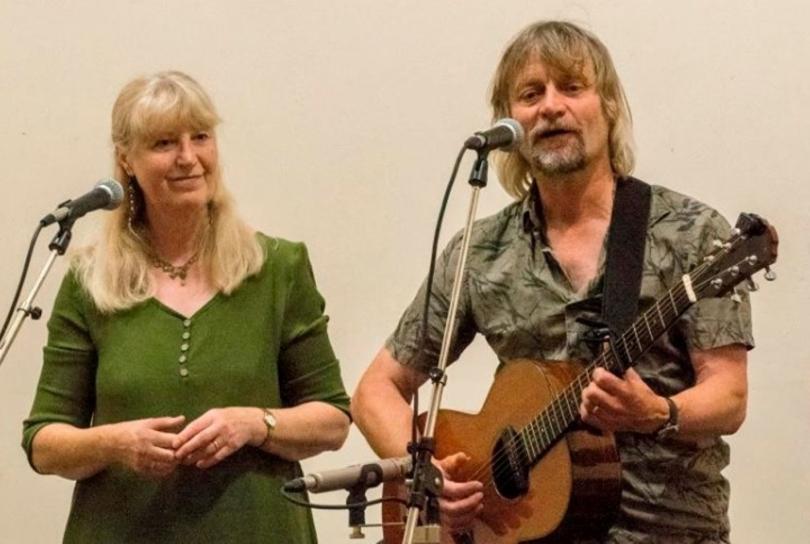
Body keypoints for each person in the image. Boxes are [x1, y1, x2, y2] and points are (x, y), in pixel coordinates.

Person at [352, 21, 753, 543]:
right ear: (510, 123)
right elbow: (374, 390)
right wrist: (423, 472)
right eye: (530, 94)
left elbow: (729, 396)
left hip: (668, 532)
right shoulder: (481, 251)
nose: (550, 106)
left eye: (572, 87)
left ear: (608, 107)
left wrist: (656, 412)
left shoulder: (692, 232)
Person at [22, 71, 351, 543]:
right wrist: (113, 443)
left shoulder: (279, 267)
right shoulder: (88, 280)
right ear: (126, 160)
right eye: (163, 143)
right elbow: (44, 442)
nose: (188, 158)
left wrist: (257, 423)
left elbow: (333, 419)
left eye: (200, 137)